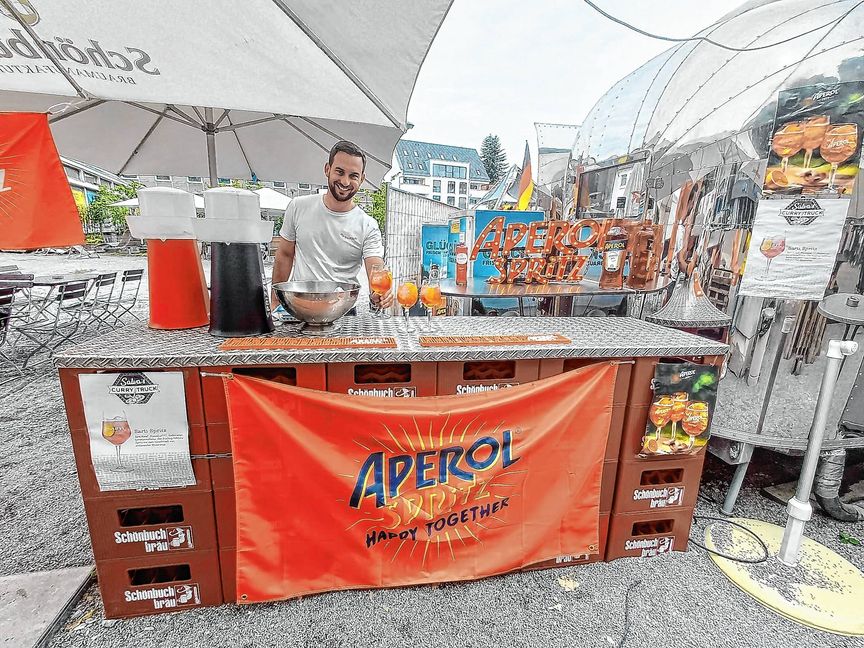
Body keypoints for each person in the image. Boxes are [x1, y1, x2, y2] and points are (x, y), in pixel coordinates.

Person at [271, 140, 393, 312]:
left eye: (353, 176)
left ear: (362, 179)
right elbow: (284, 255)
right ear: (327, 169)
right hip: (300, 306)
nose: (345, 181)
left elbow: (376, 270)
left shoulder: (368, 225)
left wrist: (378, 296)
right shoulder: (298, 206)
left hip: (344, 310)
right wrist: (275, 301)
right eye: (339, 172)